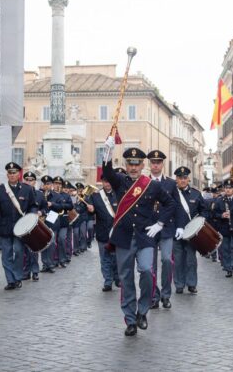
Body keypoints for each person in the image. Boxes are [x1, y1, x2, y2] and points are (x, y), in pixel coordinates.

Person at [101, 144, 177, 337]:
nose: (133, 168)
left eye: (137, 164)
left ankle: (142, 310)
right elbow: (107, 171)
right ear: (126, 165)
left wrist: (160, 223)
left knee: (146, 271)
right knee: (126, 279)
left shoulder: (152, 185)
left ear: (143, 165)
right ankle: (130, 320)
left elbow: (170, 204)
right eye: (130, 164)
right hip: (123, 238)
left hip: (145, 238)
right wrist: (107, 152)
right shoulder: (119, 182)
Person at [0, 162, 38, 290]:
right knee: (6, 255)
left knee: (18, 251)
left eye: (14, 172)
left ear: (19, 174)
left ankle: (17, 277)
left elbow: (33, 205)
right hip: (5, 228)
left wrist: (32, 215)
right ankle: (11, 280)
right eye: (10, 173)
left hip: (21, 228)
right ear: (7, 174)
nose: (12, 175)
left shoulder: (27, 189)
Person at [147, 149, 182, 310]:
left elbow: (178, 206)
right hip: (148, 229)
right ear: (149, 164)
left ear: (162, 164)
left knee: (167, 260)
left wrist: (180, 225)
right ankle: (154, 295)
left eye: (158, 162)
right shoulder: (143, 182)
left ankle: (166, 295)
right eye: (153, 163)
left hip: (167, 228)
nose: (155, 165)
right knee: (150, 265)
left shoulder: (170, 183)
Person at [172, 166, 207, 294]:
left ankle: (191, 284)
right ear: (176, 179)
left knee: (191, 259)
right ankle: (179, 284)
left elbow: (204, 211)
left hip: (192, 234)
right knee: (178, 260)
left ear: (188, 179)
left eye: (184, 178)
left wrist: (199, 224)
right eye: (180, 178)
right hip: (176, 232)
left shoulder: (196, 194)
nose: (182, 180)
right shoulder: (172, 193)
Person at [88, 172, 120, 291]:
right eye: (105, 181)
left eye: (109, 181)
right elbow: (88, 210)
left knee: (116, 257)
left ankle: (117, 278)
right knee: (105, 257)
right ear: (102, 182)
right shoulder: (95, 196)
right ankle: (108, 280)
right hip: (102, 232)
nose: (107, 184)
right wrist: (90, 210)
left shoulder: (118, 194)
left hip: (117, 232)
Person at [213, 178, 233, 278]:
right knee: (225, 249)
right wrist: (222, 215)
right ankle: (228, 268)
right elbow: (214, 214)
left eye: (230, 188)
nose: (228, 190)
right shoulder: (219, 200)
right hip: (224, 228)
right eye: (226, 188)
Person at [22, 171, 43, 281]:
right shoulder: (20, 192)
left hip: (35, 225)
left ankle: (35, 271)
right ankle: (25, 271)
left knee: (34, 249)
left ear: (35, 182)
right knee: (24, 250)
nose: (29, 182)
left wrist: (41, 212)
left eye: (31, 180)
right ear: (24, 181)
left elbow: (45, 208)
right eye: (27, 180)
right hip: (22, 224)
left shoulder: (39, 194)